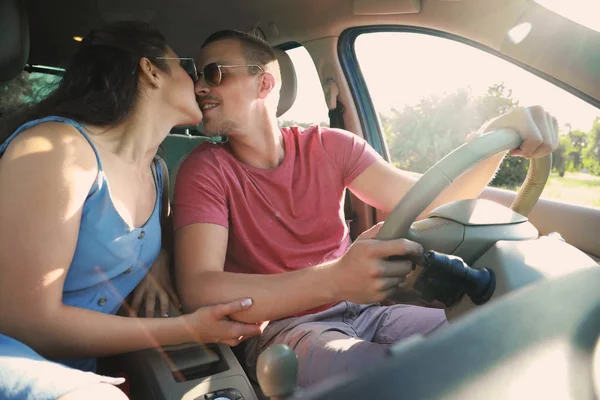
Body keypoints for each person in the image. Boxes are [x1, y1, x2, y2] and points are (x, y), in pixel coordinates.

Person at [173, 30, 559, 387]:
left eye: (214, 73)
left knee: (488, 337)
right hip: (282, 329)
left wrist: (493, 135)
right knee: (403, 375)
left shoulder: (332, 146)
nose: (200, 86)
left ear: (265, 82)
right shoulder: (205, 169)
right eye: (197, 76)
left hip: (368, 311)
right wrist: (336, 278)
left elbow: (436, 201)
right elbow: (199, 288)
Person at [0, 22, 261, 400]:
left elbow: (144, 241)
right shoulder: (57, 149)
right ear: (151, 70)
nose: (201, 86)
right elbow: (24, 320)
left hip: (79, 368)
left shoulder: (157, 172)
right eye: (187, 69)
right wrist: (188, 329)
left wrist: (157, 258)